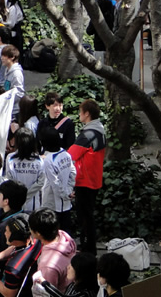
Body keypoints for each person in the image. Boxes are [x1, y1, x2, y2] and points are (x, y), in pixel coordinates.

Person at [68, 99, 106, 254]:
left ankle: (88, 249)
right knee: (87, 215)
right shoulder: (99, 130)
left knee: (85, 217)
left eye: (81, 112)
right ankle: (88, 246)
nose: (79, 115)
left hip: (85, 181)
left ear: (87, 114)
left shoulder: (88, 134)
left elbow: (71, 154)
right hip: (93, 180)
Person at [0, 216, 43, 297]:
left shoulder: (13, 268)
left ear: (14, 239)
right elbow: (14, 247)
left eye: (7, 231)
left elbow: (9, 294)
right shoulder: (35, 241)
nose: (4, 233)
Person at [29, 208, 76, 294]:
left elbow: (47, 293)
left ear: (38, 233)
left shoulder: (48, 266)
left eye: (31, 228)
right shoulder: (65, 237)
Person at [39, 127, 76, 234]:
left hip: (52, 204)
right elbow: (73, 173)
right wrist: (69, 191)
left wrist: (65, 194)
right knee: (66, 232)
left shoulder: (49, 160)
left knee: (52, 233)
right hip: (66, 203)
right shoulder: (66, 154)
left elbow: (55, 184)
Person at [4, 127, 44, 213]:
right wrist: (27, 195)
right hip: (33, 205)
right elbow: (40, 182)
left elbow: (9, 180)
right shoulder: (39, 160)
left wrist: (21, 196)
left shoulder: (10, 158)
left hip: (16, 204)